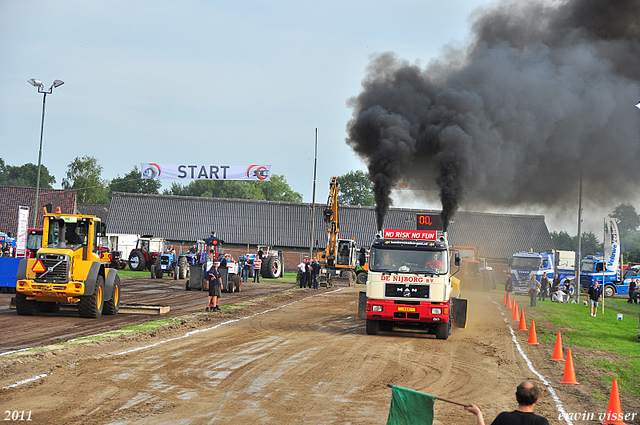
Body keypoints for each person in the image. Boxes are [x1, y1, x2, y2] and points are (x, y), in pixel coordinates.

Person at [464, 381, 550, 425]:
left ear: (516, 397)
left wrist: (478, 413)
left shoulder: (504, 417)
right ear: (536, 400)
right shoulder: (541, 422)